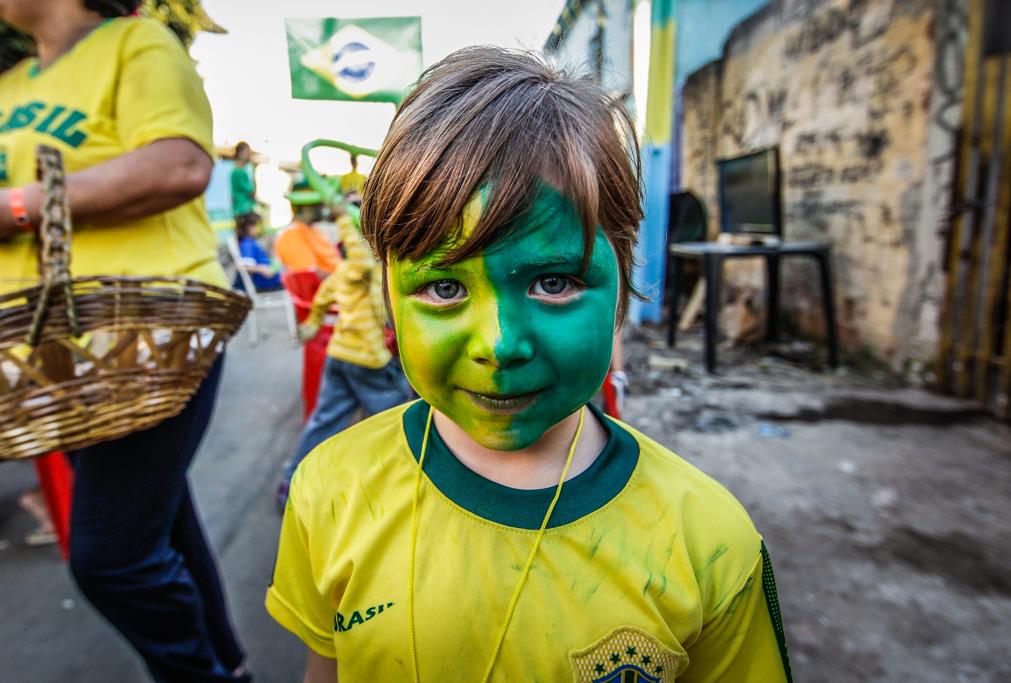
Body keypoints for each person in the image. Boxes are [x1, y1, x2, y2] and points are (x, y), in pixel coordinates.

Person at [266, 47, 792, 682]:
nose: (500, 344)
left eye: (553, 282)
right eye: (443, 288)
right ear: (389, 298)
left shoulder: (710, 542)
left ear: (621, 288)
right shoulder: (328, 489)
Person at [0, 1, 249, 680]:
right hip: (53, 349)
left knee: (111, 557)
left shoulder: (136, 44)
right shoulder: (13, 84)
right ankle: (226, 666)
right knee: (159, 524)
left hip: (142, 339)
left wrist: (20, 206)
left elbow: (178, 166)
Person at [275, 201, 410, 506]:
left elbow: (321, 300)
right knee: (395, 418)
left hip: (340, 356)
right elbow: (361, 259)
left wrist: (312, 324)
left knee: (326, 420)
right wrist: (343, 219)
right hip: (367, 360)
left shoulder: (341, 274)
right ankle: (400, 483)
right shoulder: (362, 270)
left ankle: (291, 480)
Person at [273, 182, 341, 275]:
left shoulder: (315, 231)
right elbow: (309, 274)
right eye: (319, 205)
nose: (323, 208)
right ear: (306, 208)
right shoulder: (291, 235)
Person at [234, 211, 282, 292]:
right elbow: (243, 266)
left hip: (268, 280)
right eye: (257, 225)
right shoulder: (247, 244)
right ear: (249, 227)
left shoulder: (250, 241)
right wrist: (263, 269)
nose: (259, 228)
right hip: (265, 283)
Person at [230, 141, 256, 218]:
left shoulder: (235, 170)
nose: (249, 155)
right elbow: (252, 193)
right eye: (248, 152)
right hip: (244, 211)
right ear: (240, 153)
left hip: (238, 210)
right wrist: (254, 170)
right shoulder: (240, 172)